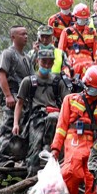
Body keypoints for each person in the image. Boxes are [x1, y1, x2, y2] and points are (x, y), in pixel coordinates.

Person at [50, 66, 97, 194]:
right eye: (95, 88)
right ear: (86, 85)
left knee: (92, 175)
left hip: (94, 142)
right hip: (74, 141)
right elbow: (61, 127)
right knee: (70, 172)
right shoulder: (70, 100)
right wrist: (55, 149)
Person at [12, 45, 70, 176]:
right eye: (44, 61)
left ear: (53, 63)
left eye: (50, 62)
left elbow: (67, 102)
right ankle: (31, 179)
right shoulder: (28, 81)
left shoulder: (58, 81)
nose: (47, 65)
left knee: (54, 119)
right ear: (38, 61)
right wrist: (16, 123)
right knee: (34, 153)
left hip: (55, 120)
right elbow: (19, 103)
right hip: (36, 119)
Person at [0, 26, 34, 167]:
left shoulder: (26, 57)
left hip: (24, 100)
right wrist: (7, 95)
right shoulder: (8, 54)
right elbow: (1, 74)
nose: (26, 36)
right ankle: (2, 159)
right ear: (13, 37)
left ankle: (22, 159)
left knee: (23, 128)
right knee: (7, 127)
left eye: (26, 34)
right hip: (12, 98)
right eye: (22, 34)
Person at [58, 3, 97, 82]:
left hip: (89, 63)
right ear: (75, 17)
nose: (82, 20)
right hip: (72, 62)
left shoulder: (92, 32)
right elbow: (60, 52)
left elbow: (96, 52)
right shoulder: (67, 32)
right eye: (80, 18)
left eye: (84, 18)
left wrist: (96, 65)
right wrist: (64, 67)